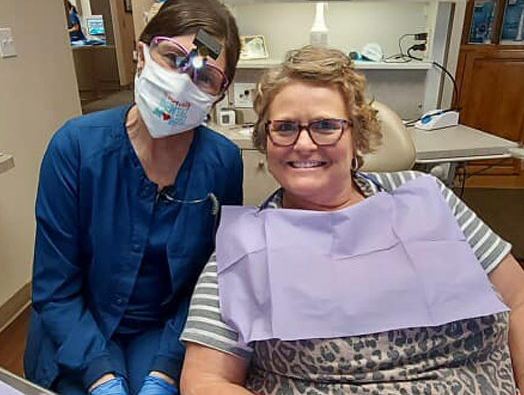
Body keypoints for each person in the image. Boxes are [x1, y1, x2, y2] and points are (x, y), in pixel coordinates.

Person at [180, 45, 524, 395]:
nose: (303, 144)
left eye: (326, 126)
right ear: (265, 142)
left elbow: (519, 297)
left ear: (356, 135)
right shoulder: (245, 245)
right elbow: (203, 381)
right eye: (284, 128)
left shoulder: (425, 195)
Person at [24, 0, 243, 395]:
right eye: (174, 58)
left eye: (204, 75)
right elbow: (55, 288)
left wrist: (163, 372)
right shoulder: (75, 147)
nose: (183, 82)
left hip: (163, 332)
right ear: (141, 53)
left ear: (219, 93)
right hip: (77, 326)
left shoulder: (223, 162)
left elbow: (212, 280)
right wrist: (101, 377)